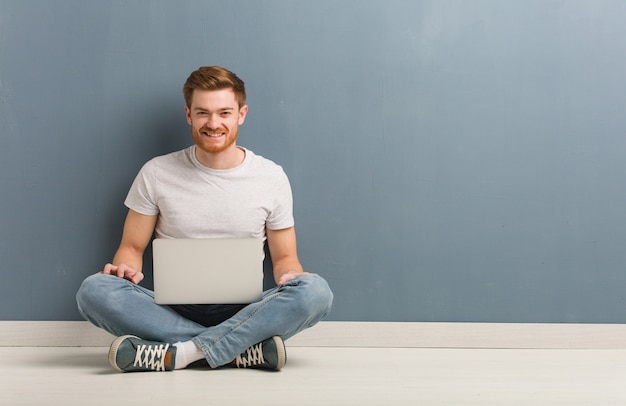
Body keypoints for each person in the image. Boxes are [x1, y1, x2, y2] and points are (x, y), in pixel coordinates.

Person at [76, 66, 333, 373]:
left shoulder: (271, 177)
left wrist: (291, 276)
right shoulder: (156, 172)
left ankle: (181, 353)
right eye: (203, 113)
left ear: (241, 114)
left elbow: (286, 258)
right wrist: (124, 270)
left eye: (224, 112)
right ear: (189, 115)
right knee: (94, 291)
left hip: (247, 310)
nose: (213, 123)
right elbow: (131, 248)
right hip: (170, 308)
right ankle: (238, 351)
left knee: (315, 292)